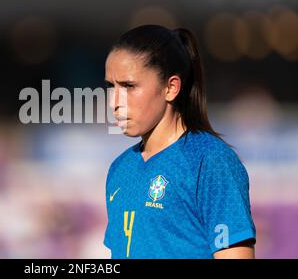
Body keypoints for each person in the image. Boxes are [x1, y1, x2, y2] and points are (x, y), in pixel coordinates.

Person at [103, 25, 256, 259]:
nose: (115, 101)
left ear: (170, 88)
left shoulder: (210, 162)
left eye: (129, 86)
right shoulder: (120, 169)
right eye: (111, 87)